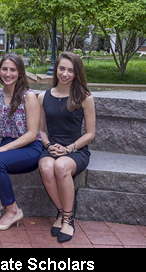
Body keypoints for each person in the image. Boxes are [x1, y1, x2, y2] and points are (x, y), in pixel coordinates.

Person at [0, 53, 42, 230]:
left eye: (13, 69)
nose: (8, 73)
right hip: (5, 143)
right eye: (4, 69)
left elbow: (31, 134)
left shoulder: (28, 97)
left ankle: (13, 211)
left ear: (20, 72)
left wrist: (2, 150)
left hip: (29, 147)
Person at [38, 51, 96, 243]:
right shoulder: (43, 96)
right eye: (61, 68)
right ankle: (63, 214)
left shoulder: (85, 97)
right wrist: (48, 145)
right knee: (46, 167)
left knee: (61, 166)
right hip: (52, 147)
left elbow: (90, 133)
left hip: (76, 150)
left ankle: (68, 220)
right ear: (56, 70)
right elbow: (41, 131)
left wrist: (68, 148)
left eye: (70, 70)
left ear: (76, 73)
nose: (65, 74)